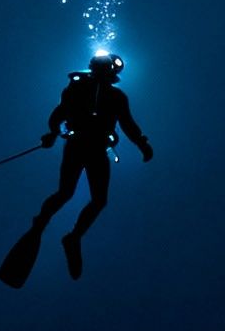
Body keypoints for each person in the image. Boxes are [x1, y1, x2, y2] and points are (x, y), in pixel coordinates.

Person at [33, 52, 153, 279]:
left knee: (78, 195)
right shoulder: (96, 92)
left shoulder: (105, 95)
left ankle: (58, 230)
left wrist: (142, 144)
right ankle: (59, 231)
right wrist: (142, 145)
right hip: (87, 147)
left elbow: (58, 115)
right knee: (78, 195)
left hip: (87, 148)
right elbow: (59, 114)